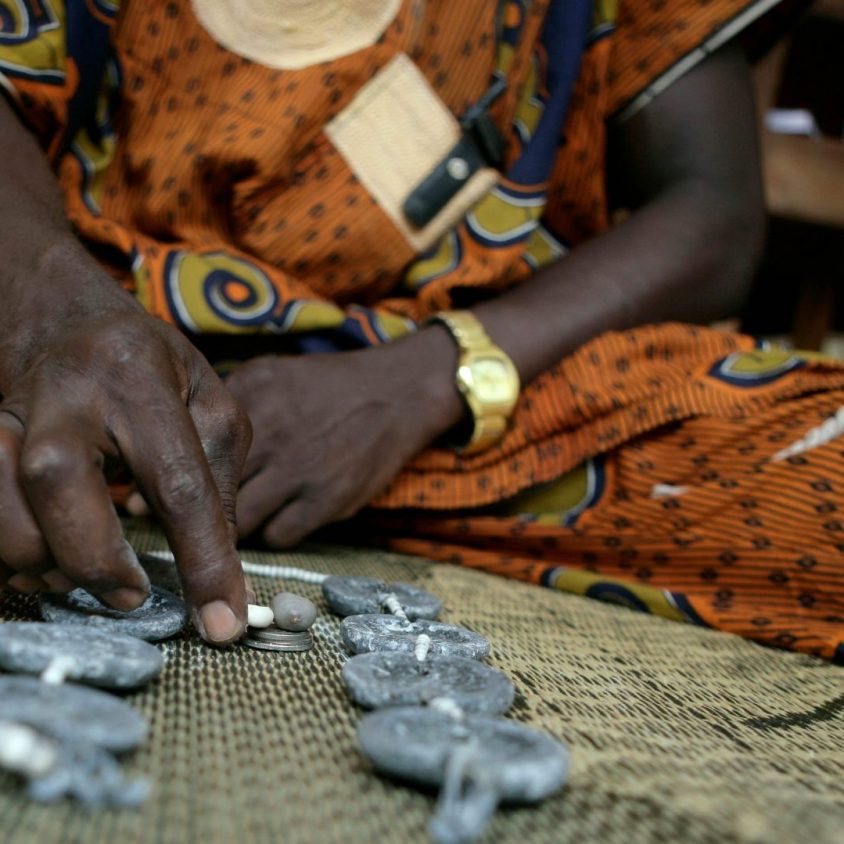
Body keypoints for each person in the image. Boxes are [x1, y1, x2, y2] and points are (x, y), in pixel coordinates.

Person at [2, 0, 843, 659]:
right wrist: (53, 312)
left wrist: (434, 375)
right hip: (82, 379)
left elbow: (713, 213)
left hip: (492, 405)